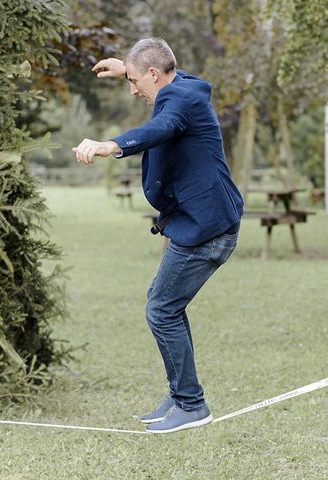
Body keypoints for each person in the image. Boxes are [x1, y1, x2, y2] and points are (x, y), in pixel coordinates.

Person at [72, 38, 243, 434]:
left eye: (135, 81)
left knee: (161, 310)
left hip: (207, 229)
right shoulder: (182, 84)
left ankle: (191, 404)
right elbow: (168, 70)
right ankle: (182, 395)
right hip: (203, 220)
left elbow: (159, 129)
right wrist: (124, 65)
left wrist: (110, 145)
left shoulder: (178, 103)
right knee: (165, 307)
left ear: (153, 75)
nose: (133, 90)